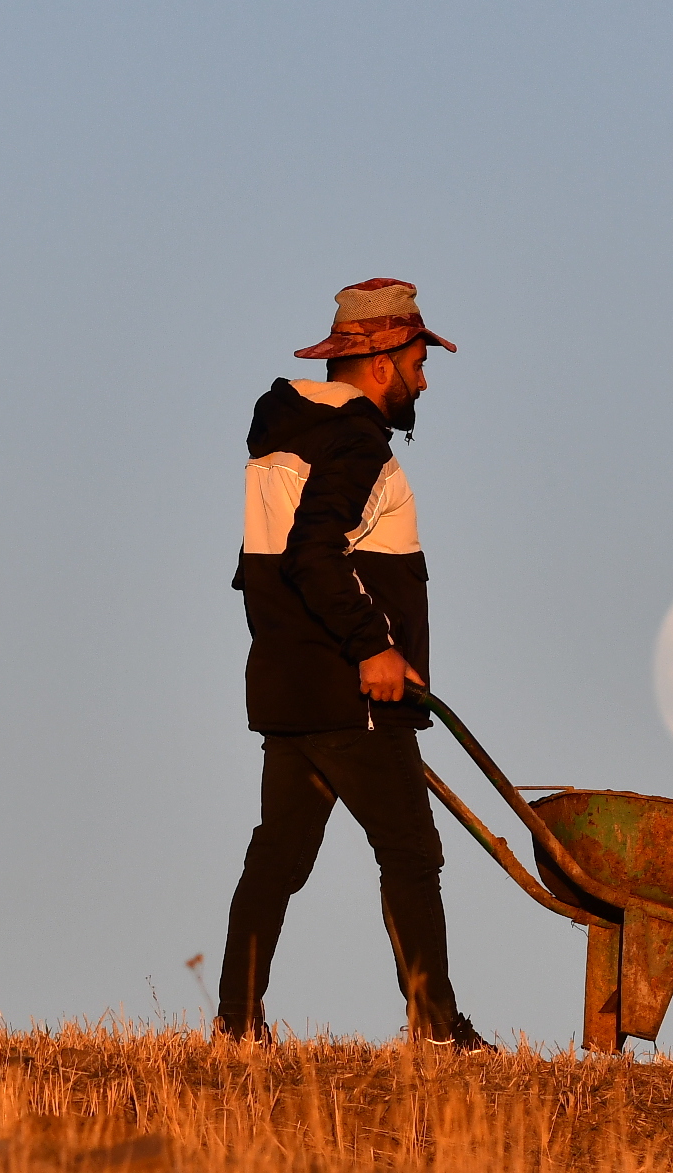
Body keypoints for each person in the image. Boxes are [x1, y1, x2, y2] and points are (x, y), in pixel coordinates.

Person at [214, 278, 490, 1051]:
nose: (424, 381)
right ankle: (436, 1029)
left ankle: (237, 1023)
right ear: (381, 363)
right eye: (418, 362)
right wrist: (374, 645)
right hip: (348, 691)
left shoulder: (285, 432)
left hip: (287, 682)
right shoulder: (355, 437)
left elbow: (280, 561)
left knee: (279, 855)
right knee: (410, 852)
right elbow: (314, 554)